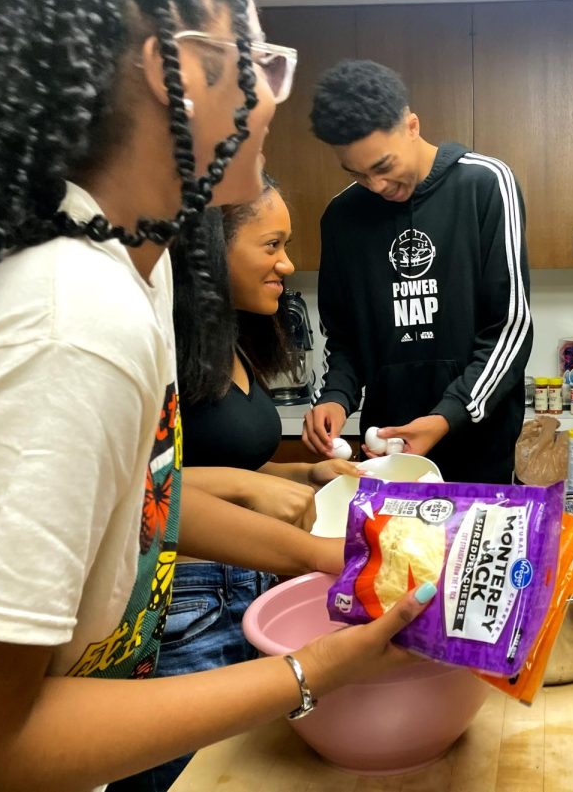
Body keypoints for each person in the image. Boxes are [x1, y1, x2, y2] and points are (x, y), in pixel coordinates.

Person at [0, 0, 434, 792]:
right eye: (256, 61)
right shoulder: (68, 319)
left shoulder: (126, 277)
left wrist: (329, 559)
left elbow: (143, 499)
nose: (272, 95)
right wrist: (313, 673)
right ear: (176, 72)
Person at [118, 178, 360, 791]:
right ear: (209, 253)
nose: (288, 263)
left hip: (247, 588)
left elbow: (231, 469)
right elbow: (125, 488)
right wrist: (247, 487)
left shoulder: (233, 340)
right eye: (272, 245)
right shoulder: (155, 345)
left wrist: (303, 472)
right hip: (184, 604)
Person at [301, 59, 533, 483]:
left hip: (479, 448)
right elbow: (345, 338)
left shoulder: (485, 184)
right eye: (357, 173)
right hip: (388, 452)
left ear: (412, 125)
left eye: (384, 166)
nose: (376, 186)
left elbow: (509, 329)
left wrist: (447, 416)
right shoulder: (341, 217)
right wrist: (335, 397)